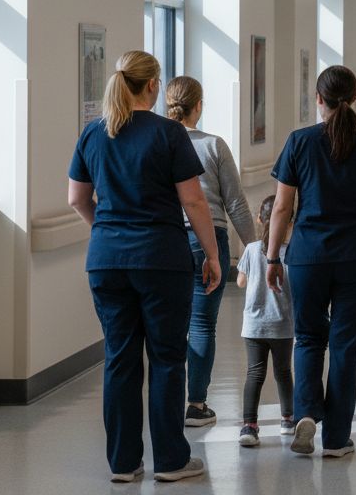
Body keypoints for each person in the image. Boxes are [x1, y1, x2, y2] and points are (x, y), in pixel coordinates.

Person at [68, 50, 222, 484]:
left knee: (119, 359)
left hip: (107, 261)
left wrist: (108, 231)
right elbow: (193, 200)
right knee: (168, 359)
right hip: (161, 259)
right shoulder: (169, 133)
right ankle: (171, 461)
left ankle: (122, 463)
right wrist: (212, 255)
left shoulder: (93, 134)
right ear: (153, 85)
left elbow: (77, 199)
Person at [265, 65, 356, 459]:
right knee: (345, 345)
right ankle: (337, 439)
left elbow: (282, 208)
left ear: (318, 100)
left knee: (307, 338)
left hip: (307, 256)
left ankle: (306, 412)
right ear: (354, 98)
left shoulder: (299, 142)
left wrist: (272, 256)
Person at [164, 76, 257, 427]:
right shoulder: (213, 145)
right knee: (202, 324)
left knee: (170, 325)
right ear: (198, 106)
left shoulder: (159, 141)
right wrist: (254, 247)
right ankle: (197, 404)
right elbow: (235, 202)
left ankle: (167, 400)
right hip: (208, 239)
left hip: (167, 239)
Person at [235, 195, 294, 448]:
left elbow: (240, 282)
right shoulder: (290, 252)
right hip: (282, 324)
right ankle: (287, 419)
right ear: (289, 223)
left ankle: (249, 425)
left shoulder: (250, 249)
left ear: (259, 219)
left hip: (254, 326)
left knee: (254, 373)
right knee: (283, 373)